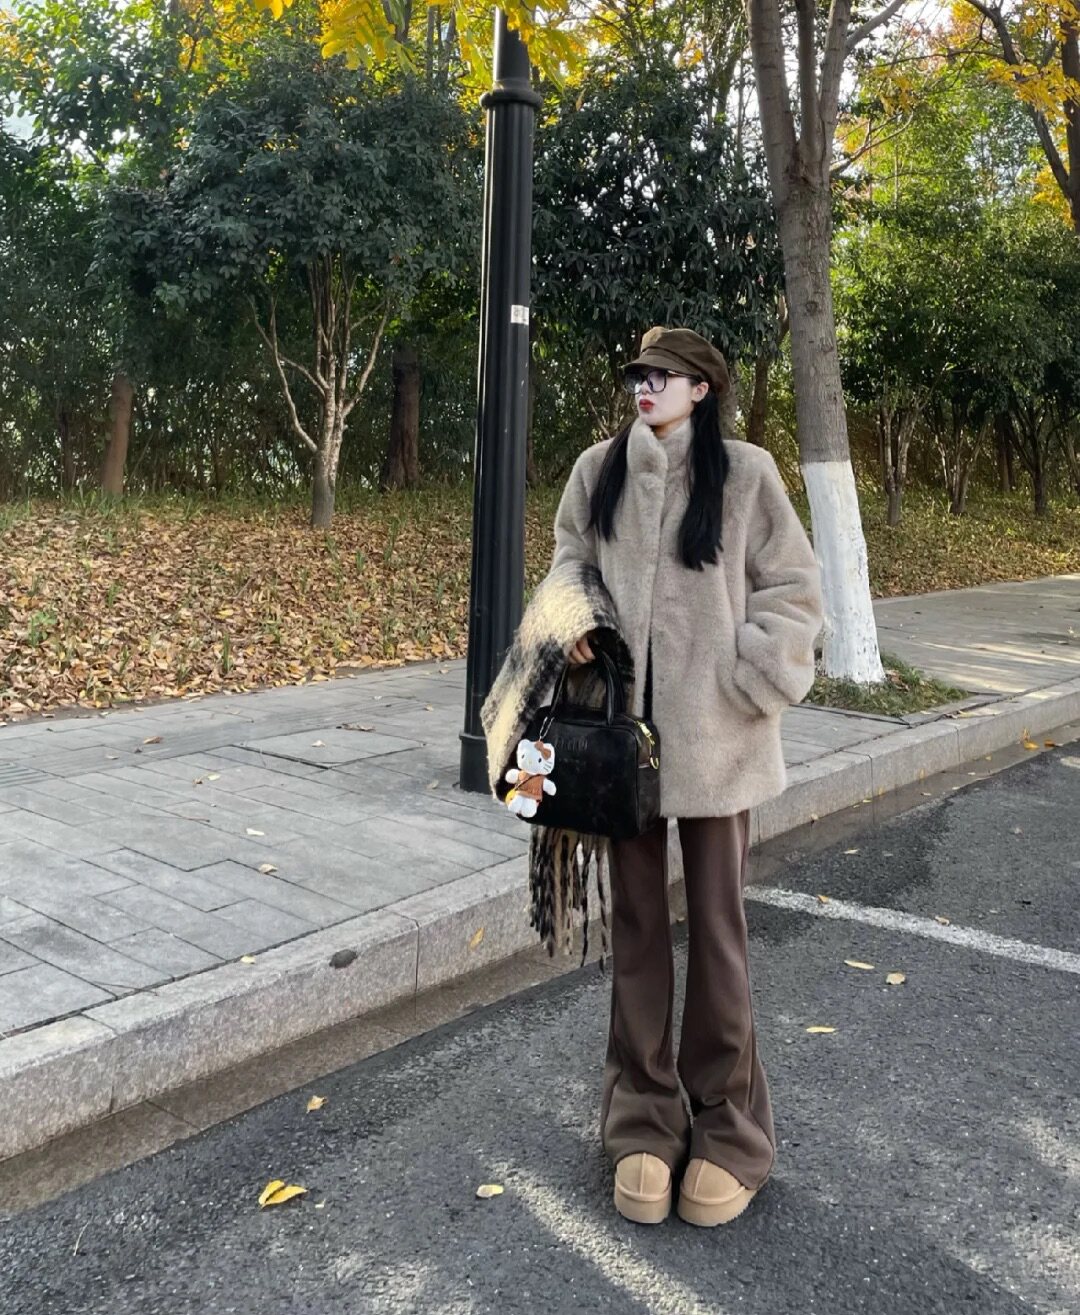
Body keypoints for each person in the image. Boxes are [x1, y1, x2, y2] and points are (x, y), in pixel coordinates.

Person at [551, 326, 824, 1227]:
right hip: (618, 744)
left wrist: (751, 678)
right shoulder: (599, 470)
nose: (646, 385)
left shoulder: (745, 474)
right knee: (635, 925)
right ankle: (641, 1114)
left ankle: (731, 1127)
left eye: (663, 375)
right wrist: (575, 616)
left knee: (717, 928)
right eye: (639, 373)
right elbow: (567, 561)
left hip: (718, 741)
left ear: (701, 388)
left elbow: (794, 588)